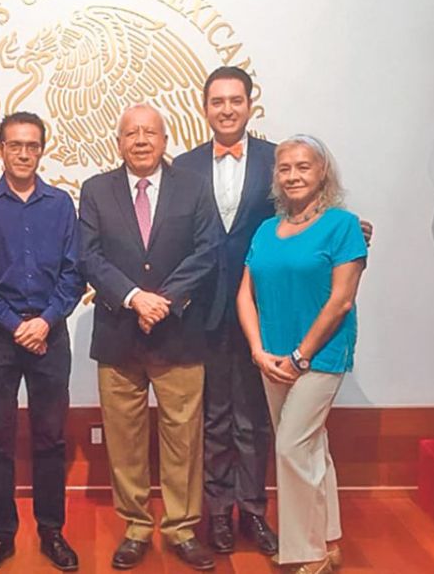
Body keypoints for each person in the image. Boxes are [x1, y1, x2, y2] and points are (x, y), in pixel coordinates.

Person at [175, 67, 370, 556]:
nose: (226, 109)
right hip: (206, 311)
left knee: (258, 422)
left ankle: (256, 513)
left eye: (235, 100)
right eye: (216, 101)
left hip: (269, 315)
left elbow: (311, 217)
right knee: (215, 418)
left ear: (249, 105)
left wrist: (353, 230)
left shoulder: (276, 159)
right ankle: (218, 514)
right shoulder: (183, 166)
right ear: (204, 108)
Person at [78, 104, 223, 571]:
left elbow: (209, 249)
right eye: (130, 133)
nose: (140, 140)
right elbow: (89, 256)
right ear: (118, 142)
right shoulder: (96, 190)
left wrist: (166, 298)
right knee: (125, 439)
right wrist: (135, 297)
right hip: (119, 333)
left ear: (165, 139)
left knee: (183, 437)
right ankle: (136, 526)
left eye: (150, 132)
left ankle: (182, 529)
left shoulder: (194, 187)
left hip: (179, 332)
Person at [0, 112, 85, 573]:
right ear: (0, 150)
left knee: (51, 439)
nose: (24, 153)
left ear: (42, 150)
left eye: (32, 145)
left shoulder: (61, 205)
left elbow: (74, 274)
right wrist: (17, 325)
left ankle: (52, 531)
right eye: (15, 145)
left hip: (50, 335)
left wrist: (46, 321)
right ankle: (2, 535)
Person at [237, 135, 367, 574]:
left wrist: (300, 356)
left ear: (322, 172)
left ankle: (306, 555)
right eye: (285, 168)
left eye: (303, 167)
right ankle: (329, 540)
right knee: (311, 447)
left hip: (321, 356)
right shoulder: (265, 230)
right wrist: (258, 350)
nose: (293, 175)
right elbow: (245, 294)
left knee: (292, 447)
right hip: (271, 358)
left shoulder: (343, 226)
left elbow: (341, 301)